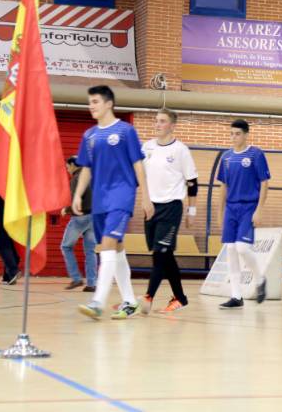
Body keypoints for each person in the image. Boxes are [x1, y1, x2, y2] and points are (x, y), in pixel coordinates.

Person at [74, 85, 154, 320]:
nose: (91, 106)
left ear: (109, 104)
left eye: (95, 101)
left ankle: (97, 302)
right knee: (115, 249)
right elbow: (86, 168)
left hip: (122, 194)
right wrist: (78, 194)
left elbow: (138, 164)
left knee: (107, 245)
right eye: (90, 102)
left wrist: (145, 196)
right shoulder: (89, 135)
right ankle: (130, 301)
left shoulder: (125, 131)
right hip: (100, 199)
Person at [139, 108, 198, 314]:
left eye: (162, 121)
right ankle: (180, 298)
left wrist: (191, 211)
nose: (158, 124)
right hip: (151, 208)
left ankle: (148, 297)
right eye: (156, 120)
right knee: (165, 256)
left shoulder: (181, 150)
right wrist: (144, 200)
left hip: (171, 207)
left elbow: (192, 182)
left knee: (161, 253)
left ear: (172, 125)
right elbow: (141, 177)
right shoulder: (147, 147)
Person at [217, 119, 271, 309]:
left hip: (249, 207)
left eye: (238, 134)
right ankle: (236, 296)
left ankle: (260, 279)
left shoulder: (256, 154)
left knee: (242, 248)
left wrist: (259, 209)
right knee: (231, 249)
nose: (234, 137)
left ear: (246, 135)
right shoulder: (226, 157)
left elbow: (264, 183)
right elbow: (223, 186)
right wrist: (219, 213)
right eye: (231, 133)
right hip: (231, 208)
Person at [59, 156, 97, 292]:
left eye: (67, 167)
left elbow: (77, 200)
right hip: (94, 217)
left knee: (66, 247)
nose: (67, 170)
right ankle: (92, 284)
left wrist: (66, 210)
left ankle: (76, 278)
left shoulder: (76, 178)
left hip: (80, 218)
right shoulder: (92, 176)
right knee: (90, 251)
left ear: (73, 165)